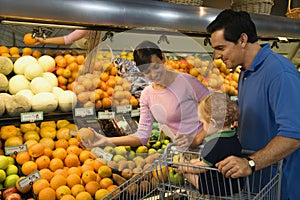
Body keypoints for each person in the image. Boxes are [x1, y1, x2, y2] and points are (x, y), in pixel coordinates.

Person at [206, 9, 300, 200]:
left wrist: (249, 163)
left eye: (221, 48)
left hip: (281, 187)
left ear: (242, 40)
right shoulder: (246, 72)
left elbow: (294, 135)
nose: (217, 56)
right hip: (258, 184)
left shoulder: (280, 73)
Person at [79, 40, 210, 149]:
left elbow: (220, 110)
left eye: (156, 67)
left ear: (163, 58)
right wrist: (106, 141)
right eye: (147, 71)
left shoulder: (186, 82)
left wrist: (198, 139)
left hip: (209, 146)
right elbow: (141, 136)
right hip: (185, 153)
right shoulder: (147, 94)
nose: (153, 74)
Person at [178, 92, 242, 196]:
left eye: (203, 123)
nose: (203, 127)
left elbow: (201, 168)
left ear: (212, 123)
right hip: (234, 185)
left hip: (217, 187)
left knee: (187, 173)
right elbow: (209, 160)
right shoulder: (233, 137)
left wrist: (184, 166)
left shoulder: (214, 144)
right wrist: (195, 162)